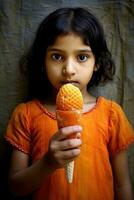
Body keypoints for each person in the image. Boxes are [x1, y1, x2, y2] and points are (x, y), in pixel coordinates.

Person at [5, 7, 134, 200]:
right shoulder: (26, 114)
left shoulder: (111, 114)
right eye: (57, 56)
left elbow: (122, 184)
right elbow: (16, 187)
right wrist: (48, 162)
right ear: (43, 61)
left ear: (97, 62)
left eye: (82, 57)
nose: (69, 70)